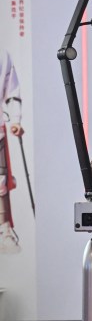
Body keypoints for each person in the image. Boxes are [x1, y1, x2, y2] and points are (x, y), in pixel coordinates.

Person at [0, 49, 23, 254]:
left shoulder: (2, 55)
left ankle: (4, 230)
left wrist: (15, 119)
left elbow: (11, 91)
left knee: (0, 182)